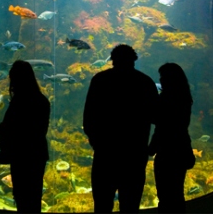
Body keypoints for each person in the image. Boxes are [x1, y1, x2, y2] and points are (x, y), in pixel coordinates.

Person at [83, 44, 158, 213]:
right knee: (130, 205)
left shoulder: (100, 80)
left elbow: (89, 117)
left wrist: (96, 142)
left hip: (105, 153)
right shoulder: (145, 82)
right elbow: (157, 117)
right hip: (135, 154)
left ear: (112, 60)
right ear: (134, 59)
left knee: (102, 205)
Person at [0, 60, 50, 213]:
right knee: (34, 196)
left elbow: (12, 128)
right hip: (37, 154)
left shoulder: (18, 102)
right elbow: (40, 130)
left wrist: (0, 128)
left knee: (21, 197)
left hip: (20, 155)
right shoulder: (42, 100)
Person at [148, 62, 195, 213]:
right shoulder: (184, 96)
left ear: (171, 79)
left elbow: (159, 122)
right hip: (181, 149)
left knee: (165, 194)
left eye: (163, 77)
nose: (161, 80)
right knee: (176, 193)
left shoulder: (168, 97)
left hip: (168, 151)